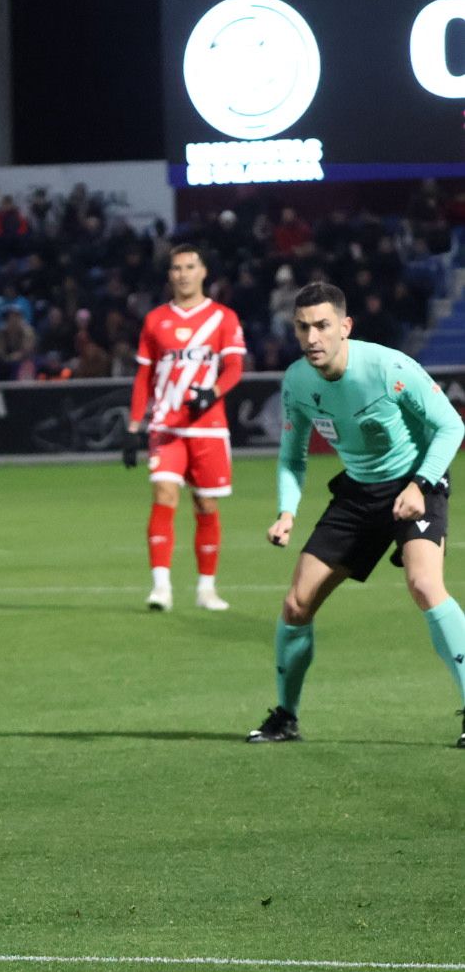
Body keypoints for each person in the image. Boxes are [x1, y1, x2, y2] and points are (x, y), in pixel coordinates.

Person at [252, 281, 465, 745]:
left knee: (425, 585)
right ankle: (285, 717)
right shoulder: (298, 381)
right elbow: (292, 457)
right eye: (303, 327)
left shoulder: (387, 367)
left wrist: (420, 484)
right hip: (358, 494)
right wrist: (287, 512)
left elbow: (451, 425)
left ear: (345, 327)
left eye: (323, 326)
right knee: (296, 604)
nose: (312, 338)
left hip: (417, 479)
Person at [123, 245, 246, 611]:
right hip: (166, 427)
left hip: (208, 428)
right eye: (177, 268)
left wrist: (213, 393)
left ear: (203, 271)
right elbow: (144, 376)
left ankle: (206, 588)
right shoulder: (155, 320)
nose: (183, 274)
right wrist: (133, 427)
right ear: (170, 274)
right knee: (164, 495)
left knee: (206, 504)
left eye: (190, 267)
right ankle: (161, 587)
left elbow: (235, 368)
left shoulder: (223, 318)